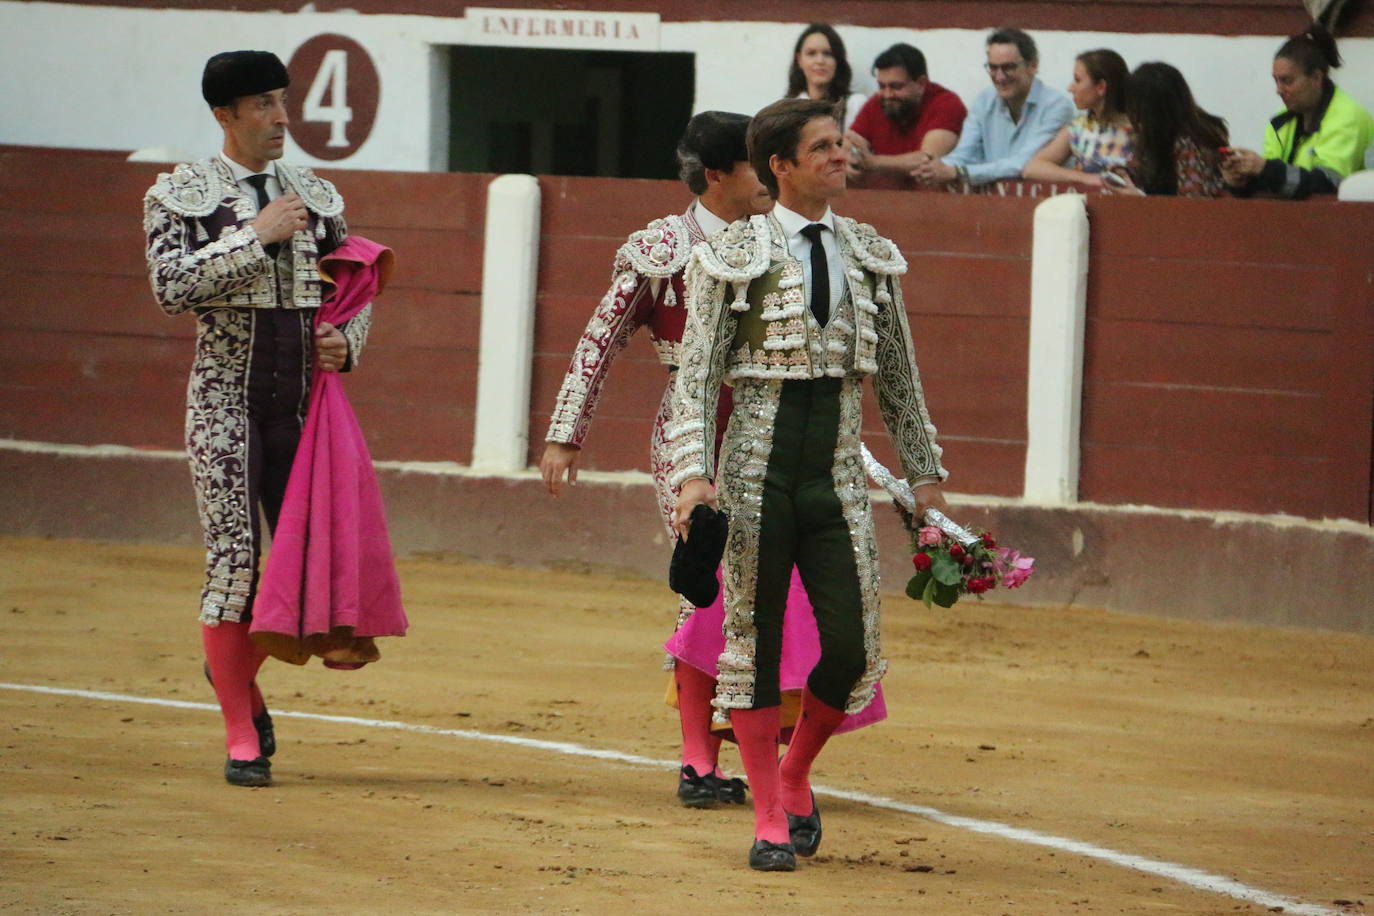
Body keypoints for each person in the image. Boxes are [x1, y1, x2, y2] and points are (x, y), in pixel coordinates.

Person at [669, 98, 948, 871]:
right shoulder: (733, 253)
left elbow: (898, 379)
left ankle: (793, 773)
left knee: (852, 649)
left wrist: (924, 480)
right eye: (823, 147)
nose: (841, 156)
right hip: (755, 471)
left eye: (842, 145)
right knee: (753, 644)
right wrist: (695, 478)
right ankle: (765, 816)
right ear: (780, 166)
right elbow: (695, 378)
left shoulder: (870, 253)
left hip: (836, 471)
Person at [144, 50, 366, 787]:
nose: (281, 118)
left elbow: (355, 291)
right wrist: (256, 235)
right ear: (224, 115)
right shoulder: (180, 194)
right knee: (236, 568)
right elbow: (171, 289)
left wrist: (345, 341)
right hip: (223, 404)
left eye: (282, 101)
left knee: (310, 568)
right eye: (264, 105)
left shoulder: (318, 194)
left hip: (304, 408)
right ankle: (241, 732)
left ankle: (230, 668)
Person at [1223, 23, 1374, 198]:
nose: (1278, 90)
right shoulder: (1279, 123)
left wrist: (1264, 168)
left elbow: (1328, 185)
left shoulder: (1347, 118)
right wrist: (1240, 182)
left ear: (1317, 77)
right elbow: (1272, 186)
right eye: (1276, 81)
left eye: (1287, 81)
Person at [913, 27, 1073, 189]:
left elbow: (1023, 164)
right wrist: (934, 168)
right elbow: (964, 154)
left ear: (1033, 66)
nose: (999, 77)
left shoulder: (1057, 106)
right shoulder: (983, 101)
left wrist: (958, 172)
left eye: (1008, 67)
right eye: (993, 68)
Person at [845, 43, 967, 189]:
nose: (887, 94)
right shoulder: (877, 103)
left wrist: (872, 162)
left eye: (896, 87)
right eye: (881, 86)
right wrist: (850, 156)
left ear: (921, 83)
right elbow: (851, 140)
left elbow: (927, 162)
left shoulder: (947, 104)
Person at [1022, 49, 1132, 189]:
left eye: (1078, 80)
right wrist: (1085, 178)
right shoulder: (1079, 128)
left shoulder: (1139, 130)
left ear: (1101, 87)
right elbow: (1032, 168)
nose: (1070, 88)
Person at [1116, 62, 1228, 197]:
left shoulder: (1194, 141)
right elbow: (1140, 173)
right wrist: (1122, 173)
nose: (1131, 113)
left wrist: (1140, 199)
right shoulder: (1151, 135)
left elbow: (1193, 204)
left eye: (1136, 107)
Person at [786, 24, 868, 133]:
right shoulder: (788, 110)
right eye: (811, 53)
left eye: (828, 53)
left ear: (838, 60)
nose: (820, 61)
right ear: (799, 60)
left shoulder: (856, 105)